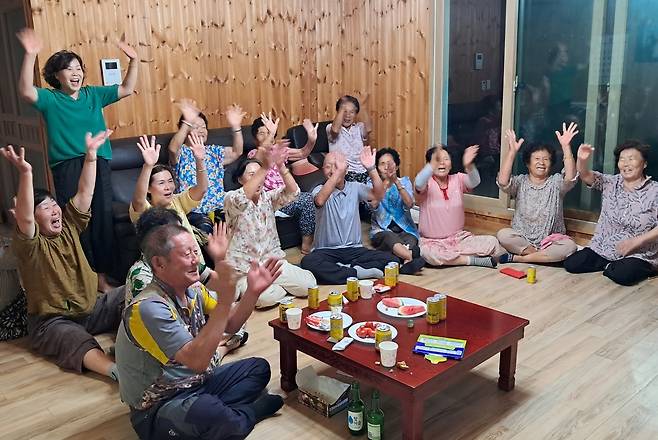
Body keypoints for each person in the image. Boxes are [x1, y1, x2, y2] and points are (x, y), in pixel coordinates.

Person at [116, 224, 284, 440]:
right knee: (214, 415)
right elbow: (197, 361)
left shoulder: (193, 289)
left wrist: (252, 292)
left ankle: (214, 416)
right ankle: (247, 413)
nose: (196, 259)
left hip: (197, 382)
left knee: (258, 368)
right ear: (159, 263)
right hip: (158, 405)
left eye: (196, 251)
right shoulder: (148, 307)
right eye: (187, 254)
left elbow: (231, 325)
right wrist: (225, 298)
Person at [16, 28, 139, 292]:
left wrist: (134, 60)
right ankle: (88, 277)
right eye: (68, 69)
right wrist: (29, 54)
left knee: (103, 218)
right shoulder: (51, 99)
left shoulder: (93, 94)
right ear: (56, 75)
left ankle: (105, 275)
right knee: (77, 220)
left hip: (100, 161)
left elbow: (128, 88)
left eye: (78, 68)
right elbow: (26, 91)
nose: (76, 73)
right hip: (68, 165)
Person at [2, 131, 124, 380]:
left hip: (91, 307)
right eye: (44, 207)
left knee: (131, 293)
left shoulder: (69, 224)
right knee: (73, 338)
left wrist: (90, 157)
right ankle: (116, 371)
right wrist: (26, 173)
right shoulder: (29, 245)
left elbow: (84, 193)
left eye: (53, 204)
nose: (54, 209)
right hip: (52, 320)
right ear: (34, 217)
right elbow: (25, 218)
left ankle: (131, 346)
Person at [301, 150, 424, 284]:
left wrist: (371, 169)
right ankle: (356, 272)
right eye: (328, 166)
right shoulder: (319, 189)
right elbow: (320, 201)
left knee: (391, 260)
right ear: (322, 170)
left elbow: (378, 194)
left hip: (355, 250)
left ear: (346, 170)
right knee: (308, 262)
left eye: (337, 166)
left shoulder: (355, 188)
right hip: (326, 251)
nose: (333, 170)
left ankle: (344, 270)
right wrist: (337, 172)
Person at [225, 141, 317, 308]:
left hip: (272, 263)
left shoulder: (267, 197)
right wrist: (265, 167)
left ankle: (276, 287)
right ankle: (278, 289)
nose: (258, 179)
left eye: (259, 174)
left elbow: (293, 192)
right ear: (240, 179)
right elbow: (242, 199)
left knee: (309, 285)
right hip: (246, 270)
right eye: (252, 174)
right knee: (264, 299)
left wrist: (281, 166)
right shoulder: (231, 198)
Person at [563, 141, 658, 285]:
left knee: (623, 275)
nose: (626, 164)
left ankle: (639, 268)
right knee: (572, 264)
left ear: (644, 163)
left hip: (639, 253)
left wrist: (637, 241)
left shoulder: (654, 191)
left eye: (631, 159)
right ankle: (609, 265)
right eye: (622, 159)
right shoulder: (611, 182)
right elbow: (586, 175)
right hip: (604, 249)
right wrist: (582, 160)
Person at [496, 123, 579, 264]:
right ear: (528, 163)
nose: (541, 162)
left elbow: (570, 177)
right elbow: (503, 182)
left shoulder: (556, 183)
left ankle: (519, 259)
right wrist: (511, 153)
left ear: (551, 164)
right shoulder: (520, 182)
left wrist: (566, 147)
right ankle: (538, 256)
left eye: (546, 159)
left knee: (569, 246)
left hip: (551, 241)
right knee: (503, 235)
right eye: (537, 159)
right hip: (523, 239)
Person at [415, 145, 504, 268]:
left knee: (492, 242)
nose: (441, 163)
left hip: (459, 239)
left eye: (446, 159)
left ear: (451, 164)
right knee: (428, 253)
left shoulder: (458, 179)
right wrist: (431, 165)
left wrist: (469, 165)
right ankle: (471, 260)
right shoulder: (426, 183)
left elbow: (475, 181)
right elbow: (419, 183)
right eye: (437, 159)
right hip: (433, 242)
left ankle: (455, 258)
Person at [168, 100, 246, 232]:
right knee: (206, 231)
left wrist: (236, 127)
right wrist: (186, 121)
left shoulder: (213, 151)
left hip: (220, 207)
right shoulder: (182, 152)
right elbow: (172, 149)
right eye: (195, 127)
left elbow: (236, 151)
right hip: (194, 210)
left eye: (203, 127)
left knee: (245, 219)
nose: (201, 130)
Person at [130, 133, 207, 264]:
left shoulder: (177, 201)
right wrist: (148, 166)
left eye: (170, 181)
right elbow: (138, 200)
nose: (168, 187)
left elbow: (202, 189)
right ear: (149, 189)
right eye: (161, 183)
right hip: (165, 270)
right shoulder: (146, 210)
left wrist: (200, 160)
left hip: (195, 264)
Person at [248, 114, 319, 253]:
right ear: (255, 138)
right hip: (270, 199)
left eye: (269, 132)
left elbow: (303, 153)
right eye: (262, 133)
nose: (267, 135)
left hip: (287, 194)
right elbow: (260, 156)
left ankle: (314, 243)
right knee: (306, 200)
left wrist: (311, 139)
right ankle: (307, 247)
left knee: (313, 197)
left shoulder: (278, 150)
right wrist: (272, 134)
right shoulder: (254, 153)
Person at [369, 147, 421, 262]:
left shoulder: (404, 182)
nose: (386, 167)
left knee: (412, 239)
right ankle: (410, 257)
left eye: (389, 163)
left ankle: (402, 260)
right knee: (389, 237)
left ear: (396, 166)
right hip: (382, 230)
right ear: (377, 168)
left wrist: (396, 182)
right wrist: (386, 183)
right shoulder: (371, 185)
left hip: (405, 229)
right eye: (382, 164)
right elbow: (373, 205)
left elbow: (410, 204)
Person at [327, 95, 372, 183]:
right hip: (344, 174)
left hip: (363, 172)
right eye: (344, 111)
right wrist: (342, 106)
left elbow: (369, 129)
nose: (347, 115)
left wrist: (361, 105)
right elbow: (335, 130)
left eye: (352, 112)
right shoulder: (330, 128)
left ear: (356, 114)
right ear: (338, 112)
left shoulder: (359, 127)